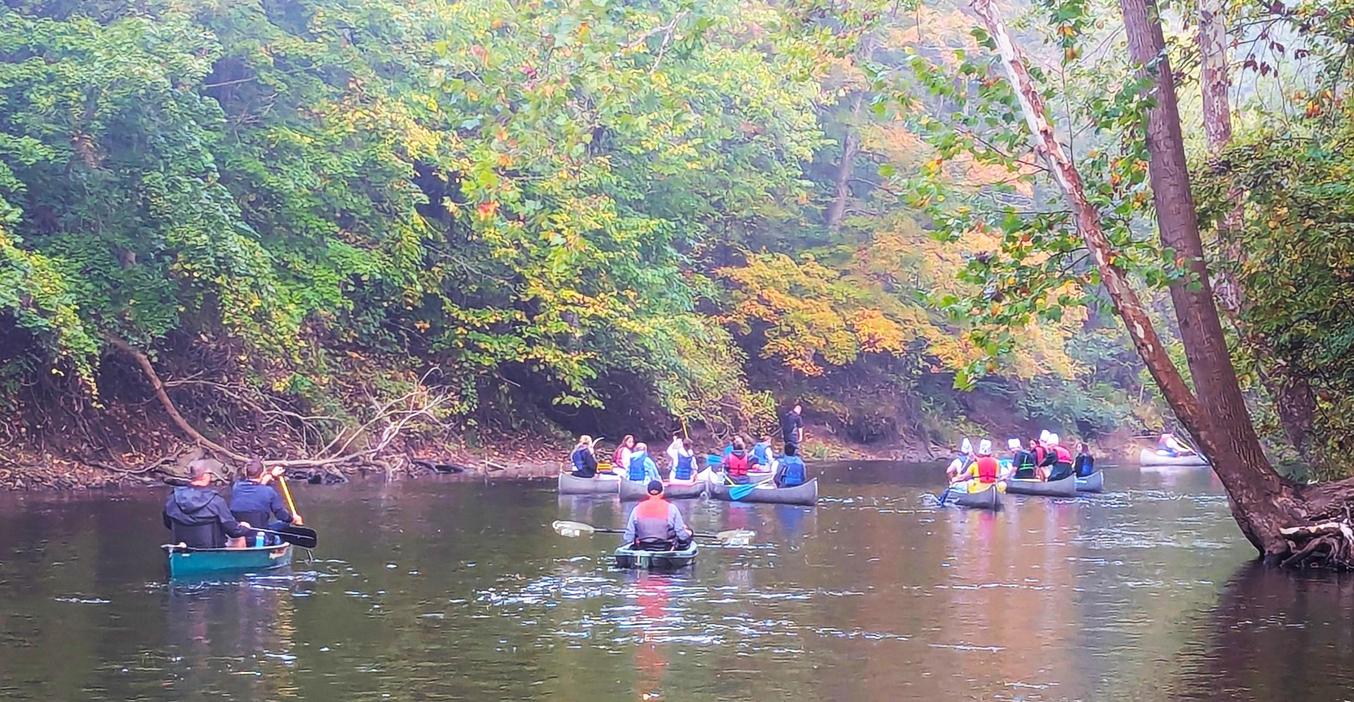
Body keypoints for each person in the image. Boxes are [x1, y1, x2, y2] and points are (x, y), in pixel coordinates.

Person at [164, 459, 254, 549]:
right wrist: (244, 528)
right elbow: (233, 531)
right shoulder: (216, 501)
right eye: (210, 473)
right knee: (239, 538)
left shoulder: (172, 498)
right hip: (211, 551)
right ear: (205, 476)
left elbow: (168, 523)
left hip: (182, 549)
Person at [231, 458, 299, 546]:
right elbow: (281, 515)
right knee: (283, 525)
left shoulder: (236, 487)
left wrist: (271, 475)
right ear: (263, 474)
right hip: (261, 535)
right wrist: (293, 519)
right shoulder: (269, 491)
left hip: (240, 535)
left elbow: (254, 485)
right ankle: (276, 544)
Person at [622, 480, 693, 551]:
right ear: (662, 492)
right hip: (665, 548)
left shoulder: (636, 508)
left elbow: (629, 536)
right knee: (687, 534)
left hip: (643, 547)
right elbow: (681, 535)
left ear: (647, 492)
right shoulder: (671, 508)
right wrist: (688, 533)